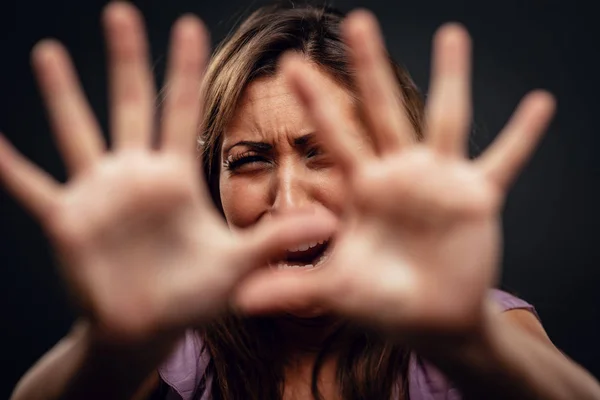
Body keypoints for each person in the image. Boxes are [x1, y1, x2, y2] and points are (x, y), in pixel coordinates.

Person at [4, 2, 600, 400]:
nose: (288, 206)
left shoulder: (474, 326)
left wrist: (470, 344)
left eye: (325, 155)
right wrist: (110, 346)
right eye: (250, 161)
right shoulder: (179, 337)